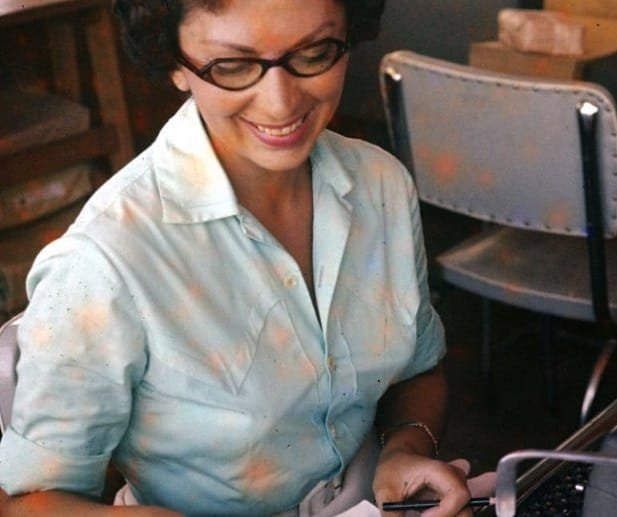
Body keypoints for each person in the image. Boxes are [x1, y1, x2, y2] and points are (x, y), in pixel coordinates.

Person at [0, 0, 476, 515]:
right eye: (232, 66)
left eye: (315, 52)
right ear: (175, 65)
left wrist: (406, 449)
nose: (280, 103)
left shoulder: (380, 184)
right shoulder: (107, 262)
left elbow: (417, 369)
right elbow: (28, 501)